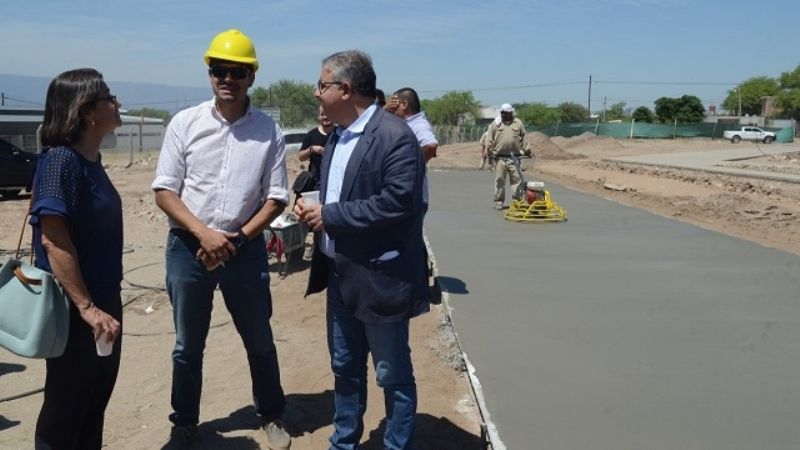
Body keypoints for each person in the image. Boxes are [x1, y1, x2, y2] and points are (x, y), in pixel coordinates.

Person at [151, 29, 291, 450]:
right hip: (188, 248)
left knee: (259, 340)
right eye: (218, 71)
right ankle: (185, 422)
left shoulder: (269, 132)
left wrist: (238, 238)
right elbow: (164, 191)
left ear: (251, 77)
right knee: (187, 345)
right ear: (209, 74)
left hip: (244, 251)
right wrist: (203, 233)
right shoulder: (185, 124)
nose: (226, 79)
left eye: (236, 72)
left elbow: (277, 198)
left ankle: (271, 414)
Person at [295, 50, 428, 450]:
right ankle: (344, 442)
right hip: (341, 275)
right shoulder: (337, 134)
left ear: (345, 89)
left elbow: (399, 201)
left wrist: (331, 216)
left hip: (380, 277)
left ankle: (396, 445)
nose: (316, 92)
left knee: (392, 373)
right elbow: (342, 193)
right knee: (345, 368)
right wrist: (313, 208)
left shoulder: (394, 136)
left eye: (322, 85)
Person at [30, 68, 123, 449]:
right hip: (75, 312)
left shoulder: (91, 162)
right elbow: (54, 240)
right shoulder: (60, 163)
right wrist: (86, 307)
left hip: (103, 302)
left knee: (93, 404)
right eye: (109, 97)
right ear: (87, 112)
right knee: (66, 410)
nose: (117, 104)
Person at [485, 103, 531, 210]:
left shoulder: (518, 123)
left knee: (517, 180)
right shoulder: (496, 124)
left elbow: (524, 136)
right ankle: (499, 201)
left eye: (508, 113)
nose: (506, 115)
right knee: (500, 180)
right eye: (504, 113)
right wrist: (489, 150)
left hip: (514, 157)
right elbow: (489, 138)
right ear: (501, 113)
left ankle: (517, 201)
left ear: (511, 113)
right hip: (499, 157)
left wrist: (527, 149)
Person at [295, 104, 334, 200]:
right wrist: (312, 149)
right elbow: (301, 157)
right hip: (316, 181)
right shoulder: (311, 135)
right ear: (318, 116)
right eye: (322, 114)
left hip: (334, 180)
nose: (325, 117)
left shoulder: (341, 133)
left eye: (328, 114)